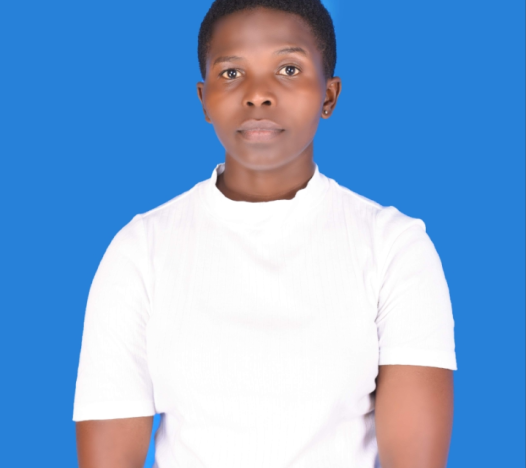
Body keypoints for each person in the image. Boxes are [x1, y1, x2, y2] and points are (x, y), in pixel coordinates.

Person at [73, 0, 457, 467]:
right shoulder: (141, 251)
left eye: (289, 69)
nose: (258, 94)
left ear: (329, 95)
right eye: (232, 73)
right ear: (204, 99)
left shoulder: (393, 247)